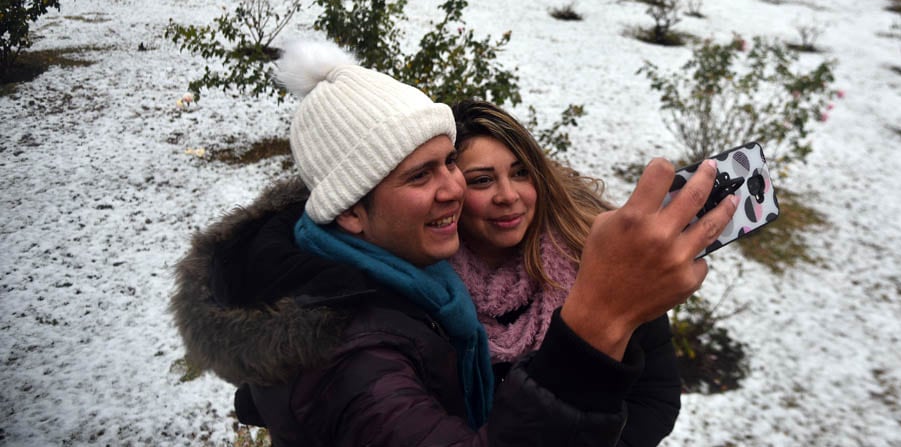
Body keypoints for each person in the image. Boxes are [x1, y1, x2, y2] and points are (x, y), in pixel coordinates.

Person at [171, 39, 735, 446]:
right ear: (349, 212)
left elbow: (654, 399)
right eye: (421, 176)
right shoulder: (351, 353)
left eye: (447, 164)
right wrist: (600, 315)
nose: (454, 189)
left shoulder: (410, 275)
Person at [448, 100, 681, 447]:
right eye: (482, 181)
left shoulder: (596, 260)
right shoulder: (431, 291)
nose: (509, 196)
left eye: (520, 173)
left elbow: (655, 396)